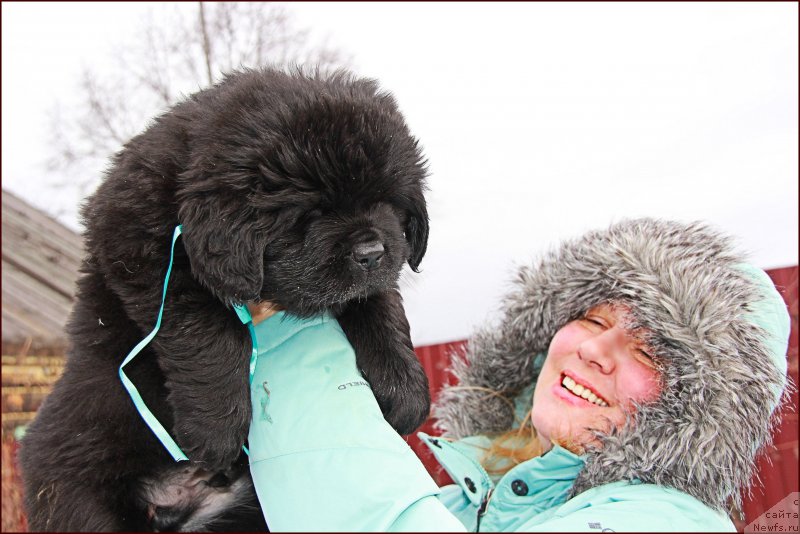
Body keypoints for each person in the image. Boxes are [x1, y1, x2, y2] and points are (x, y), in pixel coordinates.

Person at [244, 218, 791, 532]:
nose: (594, 349)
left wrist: (290, 334)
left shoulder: (671, 523)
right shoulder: (467, 503)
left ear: (703, 412)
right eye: (592, 319)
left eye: (650, 353)